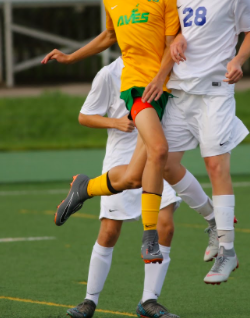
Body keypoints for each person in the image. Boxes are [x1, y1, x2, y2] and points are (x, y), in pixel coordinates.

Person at [41, 0, 180, 264]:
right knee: (159, 151)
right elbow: (109, 36)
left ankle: (86, 187)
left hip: (165, 88)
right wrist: (72, 57)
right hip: (137, 88)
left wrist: (162, 77)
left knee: (133, 177)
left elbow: (172, 41)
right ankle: (149, 238)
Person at [163, 0, 250, 285]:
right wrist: (174, 39)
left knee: (215, 164)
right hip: (180, 91)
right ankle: (211, 220)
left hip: (216, 91)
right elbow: (173, 32)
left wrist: (238, 59)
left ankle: (228, 252)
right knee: (165, 164)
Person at [67, 57, 180, 318]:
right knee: (109, 232)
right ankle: (89, 301)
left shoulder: (161, 66)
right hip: (121, 160)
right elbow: (84, 116)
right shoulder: (109, 73)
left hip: (155, 156)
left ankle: (149, 302)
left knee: (166, 225)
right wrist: (114, 122)